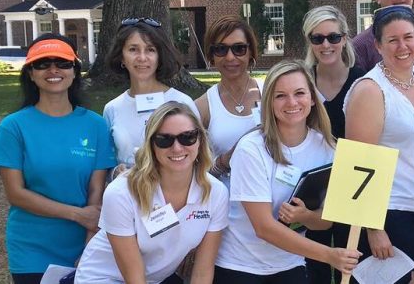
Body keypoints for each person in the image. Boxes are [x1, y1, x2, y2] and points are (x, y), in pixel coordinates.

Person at [214, 60, 361, 282]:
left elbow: (327, 219)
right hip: (240, 266)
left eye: (299, 93)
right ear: (269, 103)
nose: (291, 102)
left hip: (290, 263)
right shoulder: (251, 148)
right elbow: (263, 227)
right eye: (280, 95)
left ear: (313, 98)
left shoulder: (327, 149)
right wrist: (329, 255)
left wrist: (307, 217)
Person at [0, 34, 116, 283]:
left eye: (62, 63)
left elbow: (96, 189)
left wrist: (90, 244)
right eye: (43, 63)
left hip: (83, 242)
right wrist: (76, 214)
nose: (53, 70)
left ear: (74, 71)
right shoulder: (13, 127)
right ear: (30, 73)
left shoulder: (95, 125)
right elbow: (16, 194)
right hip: (31, 248)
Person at [75, 102, 228, 283]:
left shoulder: (216, 193)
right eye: (165, 140)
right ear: (151, 145)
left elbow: (202, 273)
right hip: (103, 278)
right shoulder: (121, 193)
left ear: (200, 139)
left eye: (187, 137)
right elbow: (134, 277)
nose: (177, 148)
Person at [344, 5, 414, 284]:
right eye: (392, 40)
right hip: (389, 215)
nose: (403, 46)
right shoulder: (370, 90)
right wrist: (374, 228)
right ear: (377, 45)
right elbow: (357, 167)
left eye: (409, 37)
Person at [301, 5, 366, 284]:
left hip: (352, 183)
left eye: (333, 37)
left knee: (349, 264)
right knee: (313, 260)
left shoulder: (361, 80)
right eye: (317, 39)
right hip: (311, 183)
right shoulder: (302, 81)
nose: (326, 45)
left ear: (345, 38)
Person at [103, 17, 199, 175]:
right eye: (133, 49)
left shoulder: (182, 103)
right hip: (128, 195)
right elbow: (106, 164)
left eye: (150, 50)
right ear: (121, 57)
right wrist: (115, 172)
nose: (142, 57)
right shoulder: (112, 108)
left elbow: (200, 157)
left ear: (159, 56)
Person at [194, 16, 263, 187]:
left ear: (251, 52)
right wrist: (223, 162)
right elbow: (191, 170)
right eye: (221, 49)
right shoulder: (202, 107)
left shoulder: (271, 93)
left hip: (274, 201)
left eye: (239, 48)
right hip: (227, 204)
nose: (230, 57)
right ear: (211, 56)